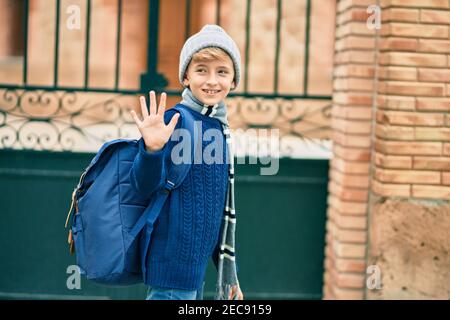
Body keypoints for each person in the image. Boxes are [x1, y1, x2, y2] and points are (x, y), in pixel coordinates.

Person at [129, 24, 244, 300]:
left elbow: (217, 211)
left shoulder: (217, 128)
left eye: (222, 72)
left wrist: (229, 278)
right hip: (171, 276)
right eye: (201, 70)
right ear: (186, 76)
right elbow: (142, 186)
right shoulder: (176, 121)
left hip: (195, 274)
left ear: (234, 81)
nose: (212, 80)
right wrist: (151, 150)